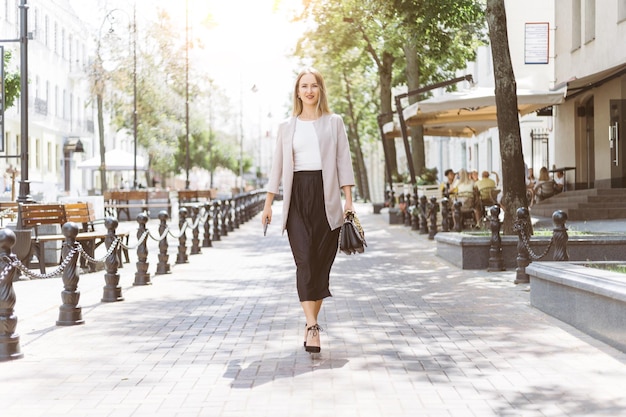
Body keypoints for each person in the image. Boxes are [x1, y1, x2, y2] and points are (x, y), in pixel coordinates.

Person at [261, 68, 355, 354]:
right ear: (297, 92)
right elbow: (277, 166)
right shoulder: (286, 127)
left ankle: (311, 324)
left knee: (320, 265)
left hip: (326, 199)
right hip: (297, 198)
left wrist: (349, 201)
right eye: (304, 86)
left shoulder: (334, 122)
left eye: (314, 86)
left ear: (320, 90)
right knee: (304, 261)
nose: (309, 90)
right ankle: (312, 325)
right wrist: (268, 203)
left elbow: (343, 161)